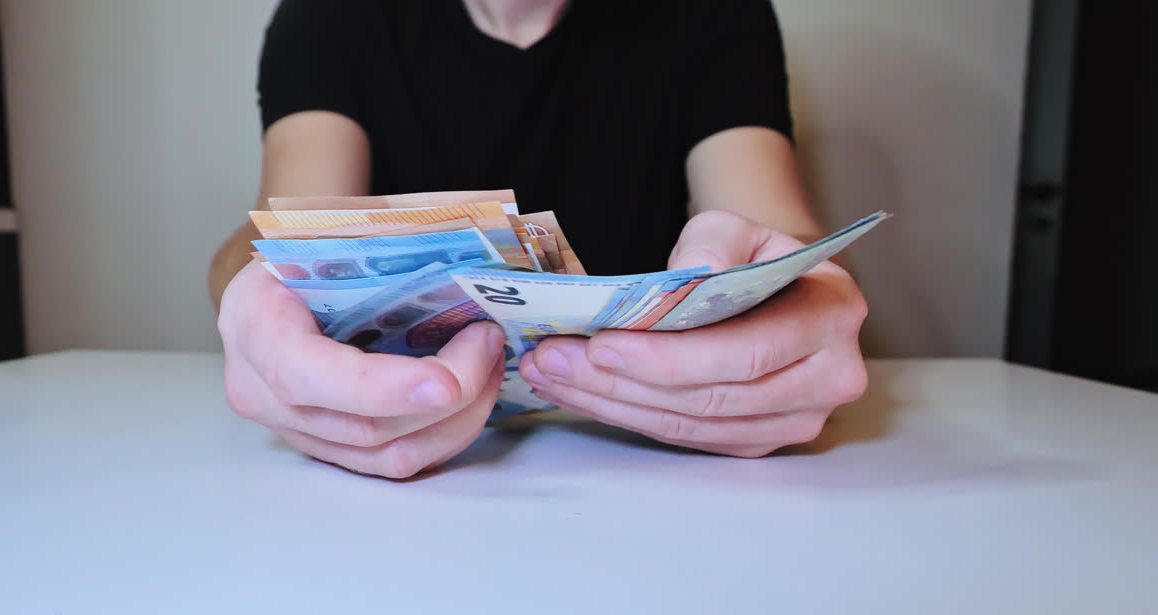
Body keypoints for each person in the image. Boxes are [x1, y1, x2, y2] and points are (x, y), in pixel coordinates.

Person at [209, 0, 870, 478]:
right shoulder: (331, 15)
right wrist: (255, 293)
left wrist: (809, 301)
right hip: (420, 480)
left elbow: (782, 241)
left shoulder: (712, 13)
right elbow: (283, 233)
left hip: (646, 469)